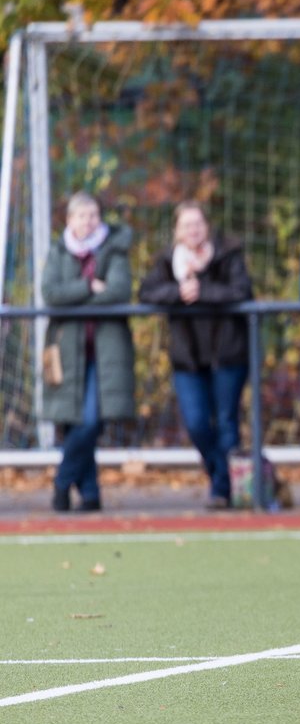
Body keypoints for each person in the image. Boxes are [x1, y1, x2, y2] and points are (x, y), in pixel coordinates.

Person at [139, 201, 253, 509]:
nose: (193, 230)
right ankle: (222, 474)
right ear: (177, 230)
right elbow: (146, 292)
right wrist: (178, 293)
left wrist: (203, 292)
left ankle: (223, 489)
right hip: (188, 358)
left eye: (198, 224)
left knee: (227, 422)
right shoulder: (168, 261)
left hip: (227, 354)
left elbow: (241, 291)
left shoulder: (228, 254)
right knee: (197, 423)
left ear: (207, 226)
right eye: (187, 225)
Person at [41, 192, 136, 512]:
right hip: (66, 350)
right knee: (71, 421)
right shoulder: (58, 251)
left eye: (93, 215)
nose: (88, 221)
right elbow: (51, 294)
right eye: (81, 215)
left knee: (91, 420)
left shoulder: (115, 249)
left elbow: (119, 291)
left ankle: (61, 482)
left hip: (104, 353)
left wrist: (77, 302)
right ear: (70, 220)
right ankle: (90, 494)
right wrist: (88, 287)